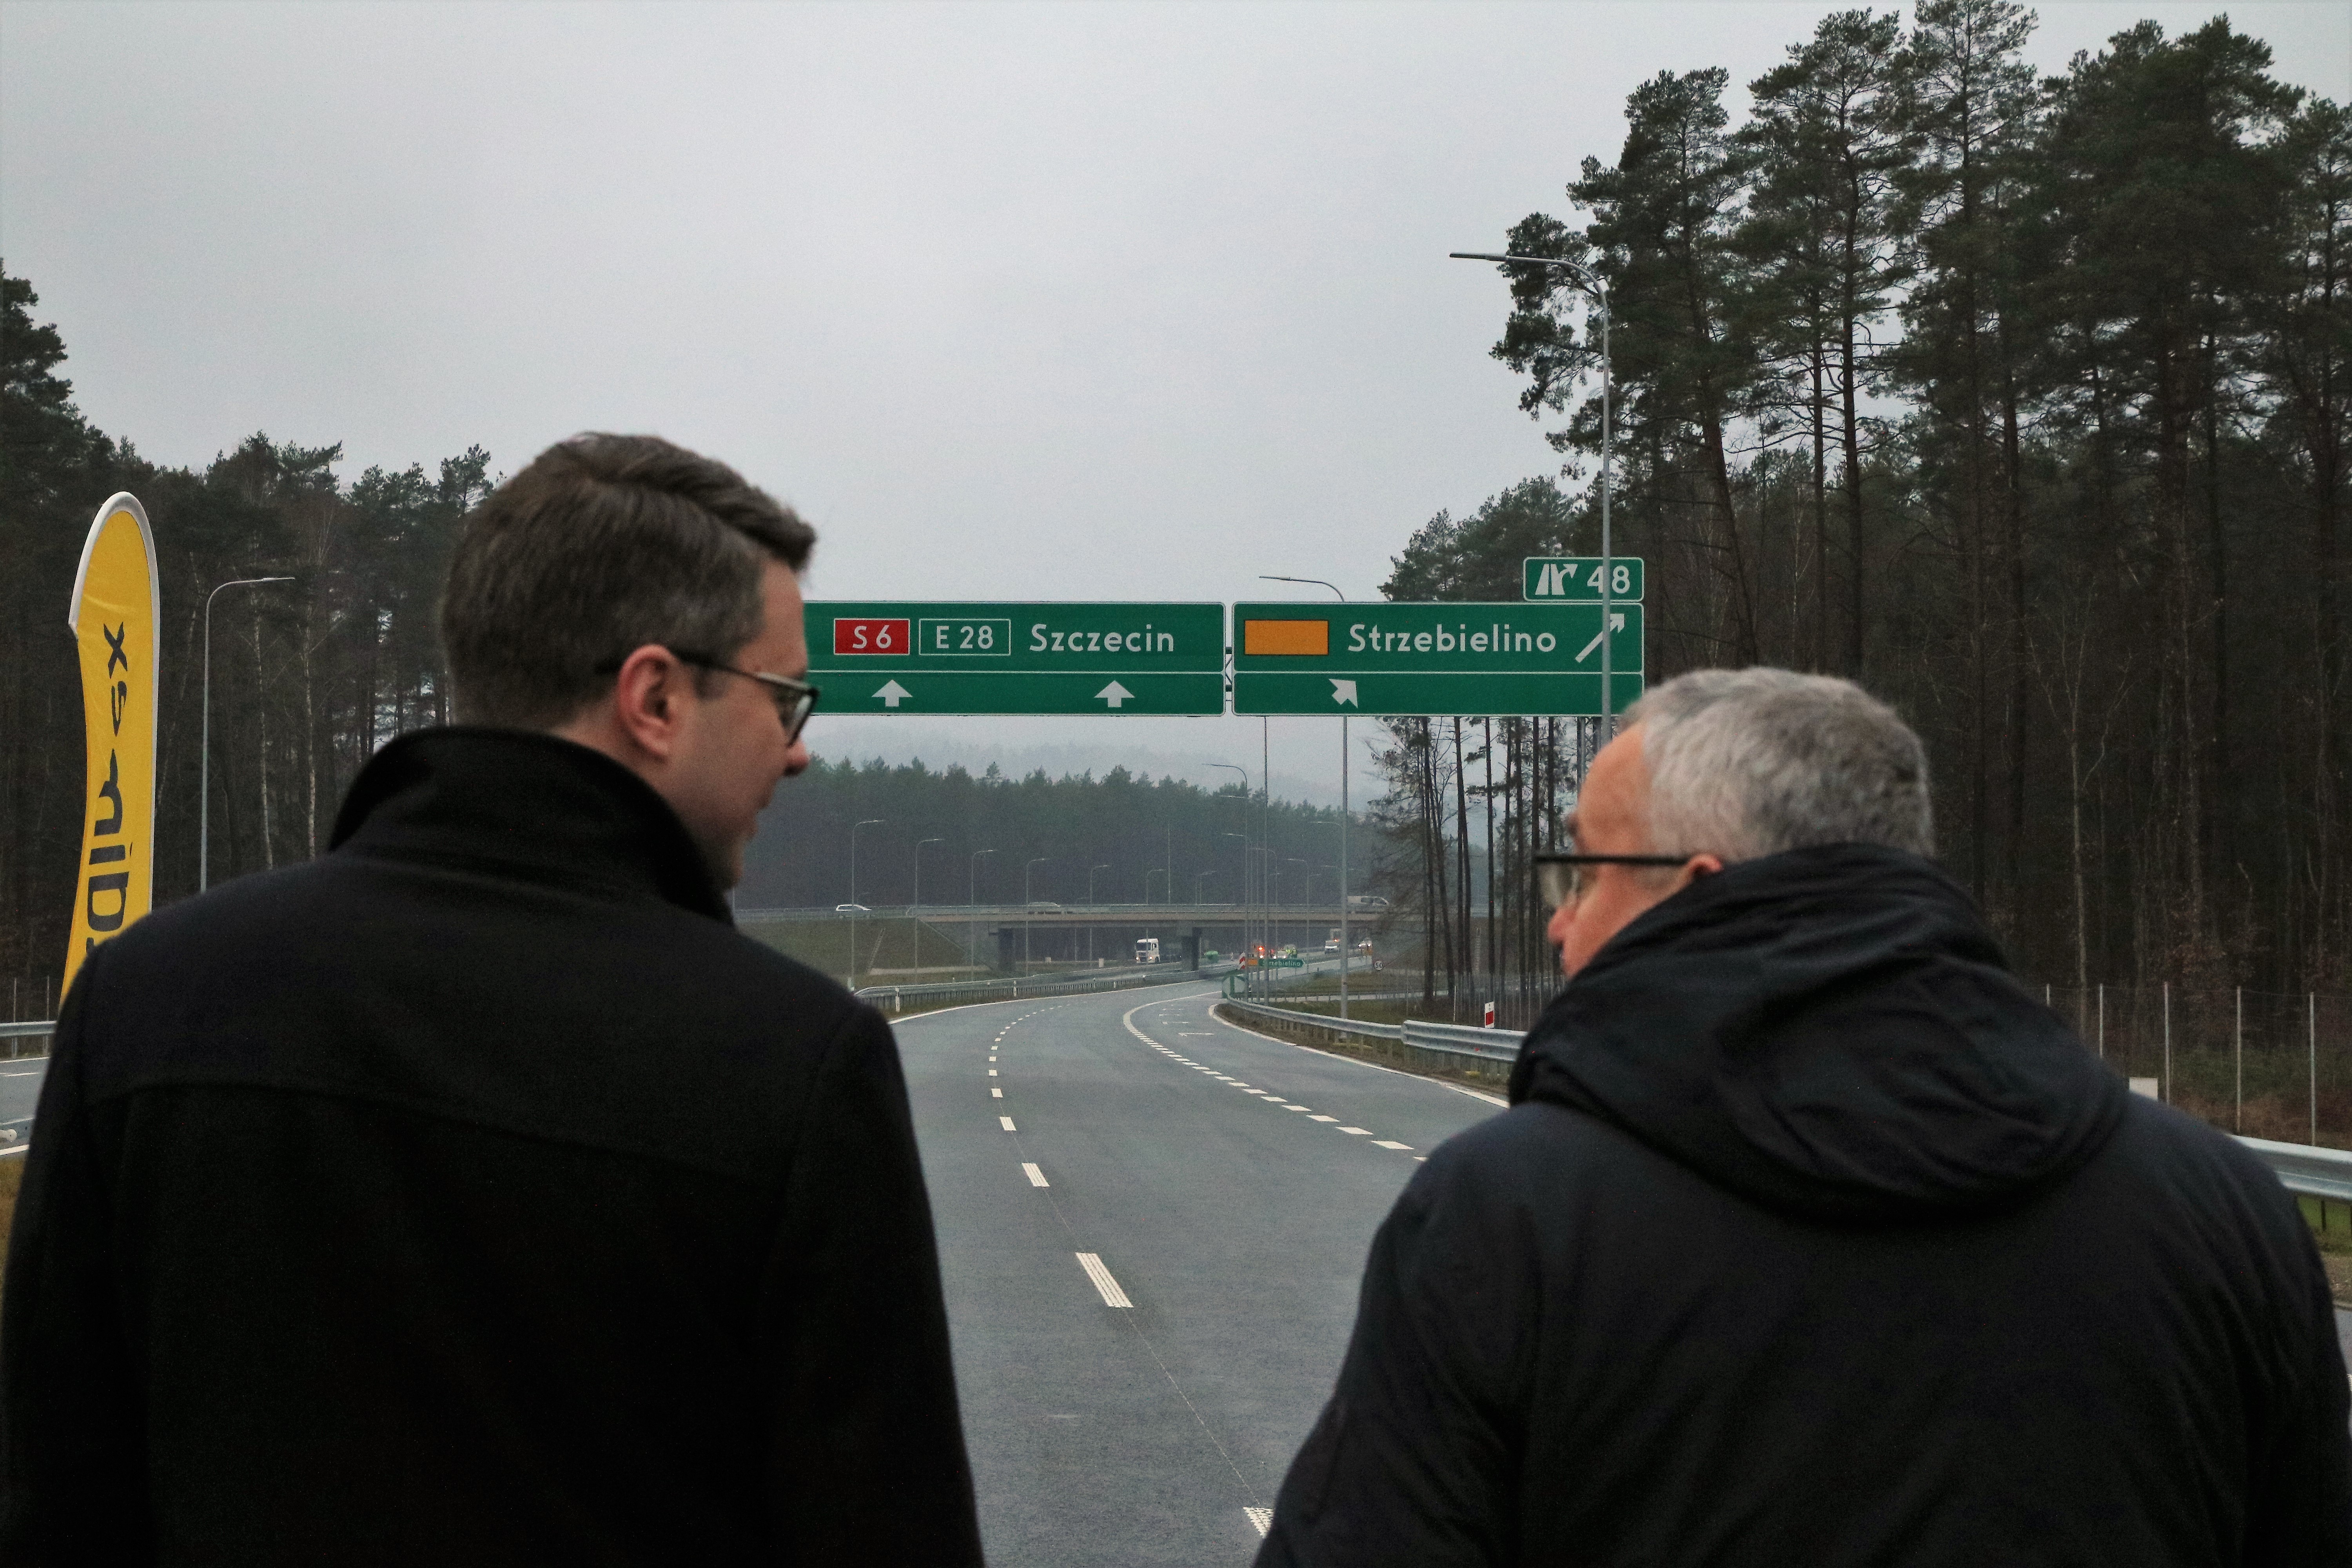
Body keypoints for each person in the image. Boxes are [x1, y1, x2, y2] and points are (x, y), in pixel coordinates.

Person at [0, 434, 984, 1565]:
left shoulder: (143, 1002)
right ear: (656, 698)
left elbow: (55, 1503)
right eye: (783, 700)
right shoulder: (796, 1065)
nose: (796, 752)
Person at [1259, 668, 2349, 1566]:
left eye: (1582, 876)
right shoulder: (2222, 1212)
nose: (1559, 926)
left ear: (1694, 887)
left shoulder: (1509, 1219)